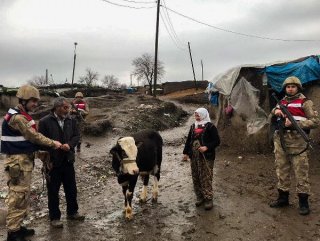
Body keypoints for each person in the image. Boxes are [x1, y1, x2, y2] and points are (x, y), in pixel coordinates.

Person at [1, 85, 62, 241]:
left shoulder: (20, 114)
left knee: (23, 194)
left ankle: (18, 227)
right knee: (18, 196)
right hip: (18, 163)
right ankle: (13, 233)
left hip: (22, 160)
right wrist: (53, 143)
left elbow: (22, 142)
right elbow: (34, 137)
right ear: (23, 100)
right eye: (33, 101)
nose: (35, 104)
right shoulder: (18, 118)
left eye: (36, 101)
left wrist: (37, 153)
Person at [269, 76, 319, 215]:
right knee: (282, 170)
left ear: (298, 88)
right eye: (288, 87)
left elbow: (315, 121)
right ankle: (283, 198)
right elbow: (271, 115)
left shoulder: (305, 102)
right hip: (281, 141)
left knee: (301, 172)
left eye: (293, 86)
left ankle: (303, 202)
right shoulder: (282, 102)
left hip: (298, 142)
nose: (290, 89)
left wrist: (296, 124)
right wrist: (275, 111)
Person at [38, 97, 85, 228]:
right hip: (52, 163)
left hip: (68, 160)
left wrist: (69, 145)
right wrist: (52, 147)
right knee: (53, 191)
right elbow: (40, 140)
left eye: (68, 107)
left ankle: (72, 212)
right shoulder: (44, 122)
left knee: (71, 189)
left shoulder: (71, 120)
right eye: (65, 108)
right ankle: (54, 218)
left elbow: (77, 136)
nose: (68, 110)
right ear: (57, 107)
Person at [183, 107, 220, 210]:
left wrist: (206, 147)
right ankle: (200, 197)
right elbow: (188, 140)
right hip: (194, 156)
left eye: (198, 115)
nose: (197, 117)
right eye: (195, 115)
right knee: (196, 176)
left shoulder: (210, 127)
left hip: (206, 157)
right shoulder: (192, 127)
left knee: (206, 176)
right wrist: (185, 153)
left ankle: (208, 198)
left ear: (203, 115)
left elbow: (217, 141)